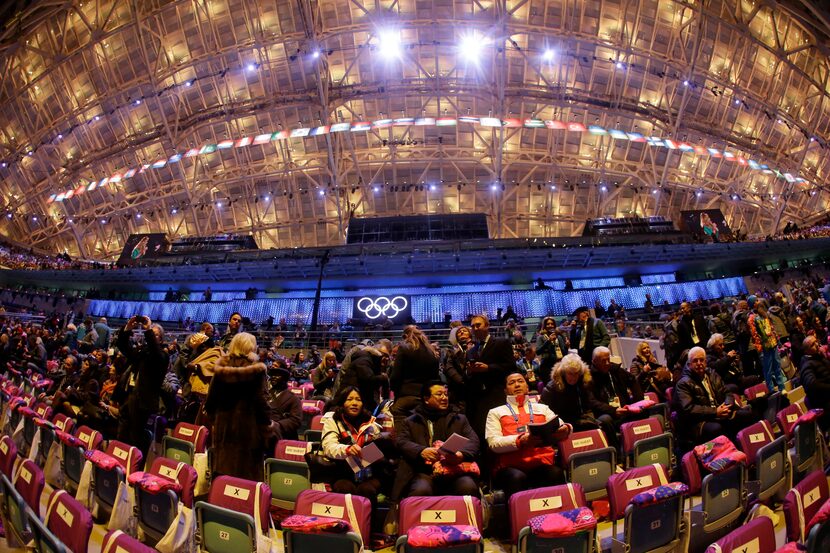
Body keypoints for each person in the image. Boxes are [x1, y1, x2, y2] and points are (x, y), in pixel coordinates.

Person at [485, 372, 570, 500]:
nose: (517, 385)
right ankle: (518, 519)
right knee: (517, 478)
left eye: (520, 381)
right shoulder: (495, 412)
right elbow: (493, 443)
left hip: (540, 463)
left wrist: (566, 429)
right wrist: (521, 441)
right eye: (511, 383)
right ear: (505, 390)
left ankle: (558, 516)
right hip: (510, 467)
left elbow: (561, 425)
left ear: (527, 387)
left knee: (555, 473)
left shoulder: (542, 408)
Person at [392, 381, 480, 500]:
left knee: (468, 487)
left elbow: (474, 441)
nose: (444, 398)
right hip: (424, 472)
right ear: (426, 399)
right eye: (439, 394)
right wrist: (421, 451)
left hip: (455, 470)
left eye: (446, 394)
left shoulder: (460, 419)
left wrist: (461, 454)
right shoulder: (411, 421)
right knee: (421, 490)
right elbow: (401, 441)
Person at [203, 332, 272, 481]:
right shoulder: (257, 371)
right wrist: (267, 428)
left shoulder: (221, 369)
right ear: (251, 347)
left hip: (224, 431)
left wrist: (216, 422)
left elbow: (210, 401)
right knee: (247, 483)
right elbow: (262, 403)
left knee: (224, 476)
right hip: (249, 433)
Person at [672, 346, 752, 444]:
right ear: (689, 364)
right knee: (716, 428)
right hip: (697, 422)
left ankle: (743, 448)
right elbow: (688, 409)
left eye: (701, 360)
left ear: (706, 362)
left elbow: (727, 392)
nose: (699, 363)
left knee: (746, 415)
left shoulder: (712, 374)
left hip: (719, 412)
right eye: (695, 361)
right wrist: (715, 412)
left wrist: (726, 406)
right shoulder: (683, 383)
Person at [114, 316, 169, 457]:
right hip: (129, 396)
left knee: (134, 437)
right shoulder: (143, 352)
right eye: (151, 333)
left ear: (161, 339)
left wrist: (148, 329)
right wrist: (128, 327)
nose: (151, 335)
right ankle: (119, 460)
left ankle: (133, 466)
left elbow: (156, 353)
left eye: (155, 334)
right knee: (121, 434)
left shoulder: (162, 355)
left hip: (143, 402)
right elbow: (123, 346)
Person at [320, 386, 386, 498]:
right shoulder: (333, 421)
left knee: (367, 490)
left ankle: (369, 515)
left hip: (368, 473)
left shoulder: (371, 424)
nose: (354, 403)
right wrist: (348, 450)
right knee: (345, 489)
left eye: (358, 400)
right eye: (349, 399)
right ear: (342, 402)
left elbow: (380, 451)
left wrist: (379, 452)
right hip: (342, 472)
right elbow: (329, 447)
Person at [466, 314, 516, 441]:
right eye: (472, 326)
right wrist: (470, 371)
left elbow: (510, 367)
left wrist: (488, 368)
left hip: (497, 395)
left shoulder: (502, 343)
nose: (475, 328)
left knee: (501, 433)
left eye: (478, 325)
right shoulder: (470, 351)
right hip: (478, 400)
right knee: (482, 435)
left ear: (487, 326)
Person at [587, 346, 643, 446]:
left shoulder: (615, 370)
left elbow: (632, 380)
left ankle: (640, 444)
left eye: (608, 359)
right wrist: (613, 410)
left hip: (624, 409)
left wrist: (637, 403)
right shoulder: (588, 377)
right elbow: (592, 401)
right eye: (603, 361)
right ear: (594, 361)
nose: (607, 363)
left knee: (642, 410)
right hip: (605, 412)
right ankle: (616, 453)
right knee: (606, 420)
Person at [390, 325, 440, 426]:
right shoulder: (432, 352)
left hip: (406, 398)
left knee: (402, 436)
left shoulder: (404, 348)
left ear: (405, 336)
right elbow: (435, 379)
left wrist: (396, 391)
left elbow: (395, 376)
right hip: (424, 399)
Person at [541, 353, 599, 431]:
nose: (573, 377)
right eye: (570, 374)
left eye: (576, 374)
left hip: (582, 420)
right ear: (564, 373)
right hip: (562, 425)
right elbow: (543, 411)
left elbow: (589, 405)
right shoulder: (551, 388)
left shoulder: (583, 383)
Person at [748, 297, 787, 392]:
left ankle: (782, 387)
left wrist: (777, 340)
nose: (759, 301)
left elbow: (771, 328)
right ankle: (771, 389)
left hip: (772, 344)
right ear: (753, 304)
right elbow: (755, 335)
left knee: (777, 366)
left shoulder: (763, 313)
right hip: (764, 348)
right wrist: (759, 349)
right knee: (768, 370)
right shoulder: (752, 318)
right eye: (756, 300)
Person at [339, 341, 391, 413]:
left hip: (359, 400)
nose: (386, 358)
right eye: (384, 355)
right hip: (349, 400)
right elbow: (368, 380)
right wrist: (383, 378)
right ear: (377, 352)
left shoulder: (373, 364)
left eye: (388, 356)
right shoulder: (364, 359)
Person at [266, 362, 303, 444]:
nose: (273, 378)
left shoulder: (293, 398)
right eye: (272, 375)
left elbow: (296, 420)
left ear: (284, 379)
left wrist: (277, 425)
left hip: (281, 435)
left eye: (277, 375)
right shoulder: (265, 395)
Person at [799, 336, 830, 427]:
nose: (817, 345)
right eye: (812, 344)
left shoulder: (819, 358)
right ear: (806, 351)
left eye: (816, 341)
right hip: (824, 403)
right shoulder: (807, 365)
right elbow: (812, 385)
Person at [442, 326, 472, 408]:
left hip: (475, 385)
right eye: (459, 332)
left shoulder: (477, 346)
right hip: (458, 387)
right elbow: (449, 367)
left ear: (470, 334)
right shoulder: (451, 350)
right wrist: (461, 381)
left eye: (464, 331)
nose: (461, 332)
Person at [535, 316, 568, 385]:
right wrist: (548, 341)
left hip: (558, 365)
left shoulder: (559, 337)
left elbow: (564, 353)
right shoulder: (540, 337)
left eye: (552, 324)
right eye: (548, 324)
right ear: (544, 326)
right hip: (546, 366)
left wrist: (567, 347)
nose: (550, 325)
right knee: (549, 387)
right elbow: (538, 352)